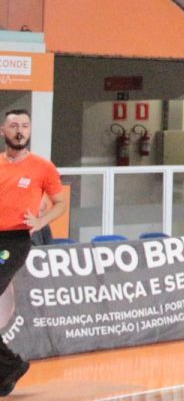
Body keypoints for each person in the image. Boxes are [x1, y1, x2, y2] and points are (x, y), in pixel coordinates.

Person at [0, 108, 68, 396]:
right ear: (3, 131)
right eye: (14, 125)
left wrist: (40, 221)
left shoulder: (42, 167)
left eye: (25, 126)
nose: (20, 130)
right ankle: (9, 368)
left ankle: (10, 365)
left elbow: (60, 203)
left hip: (12, 241)